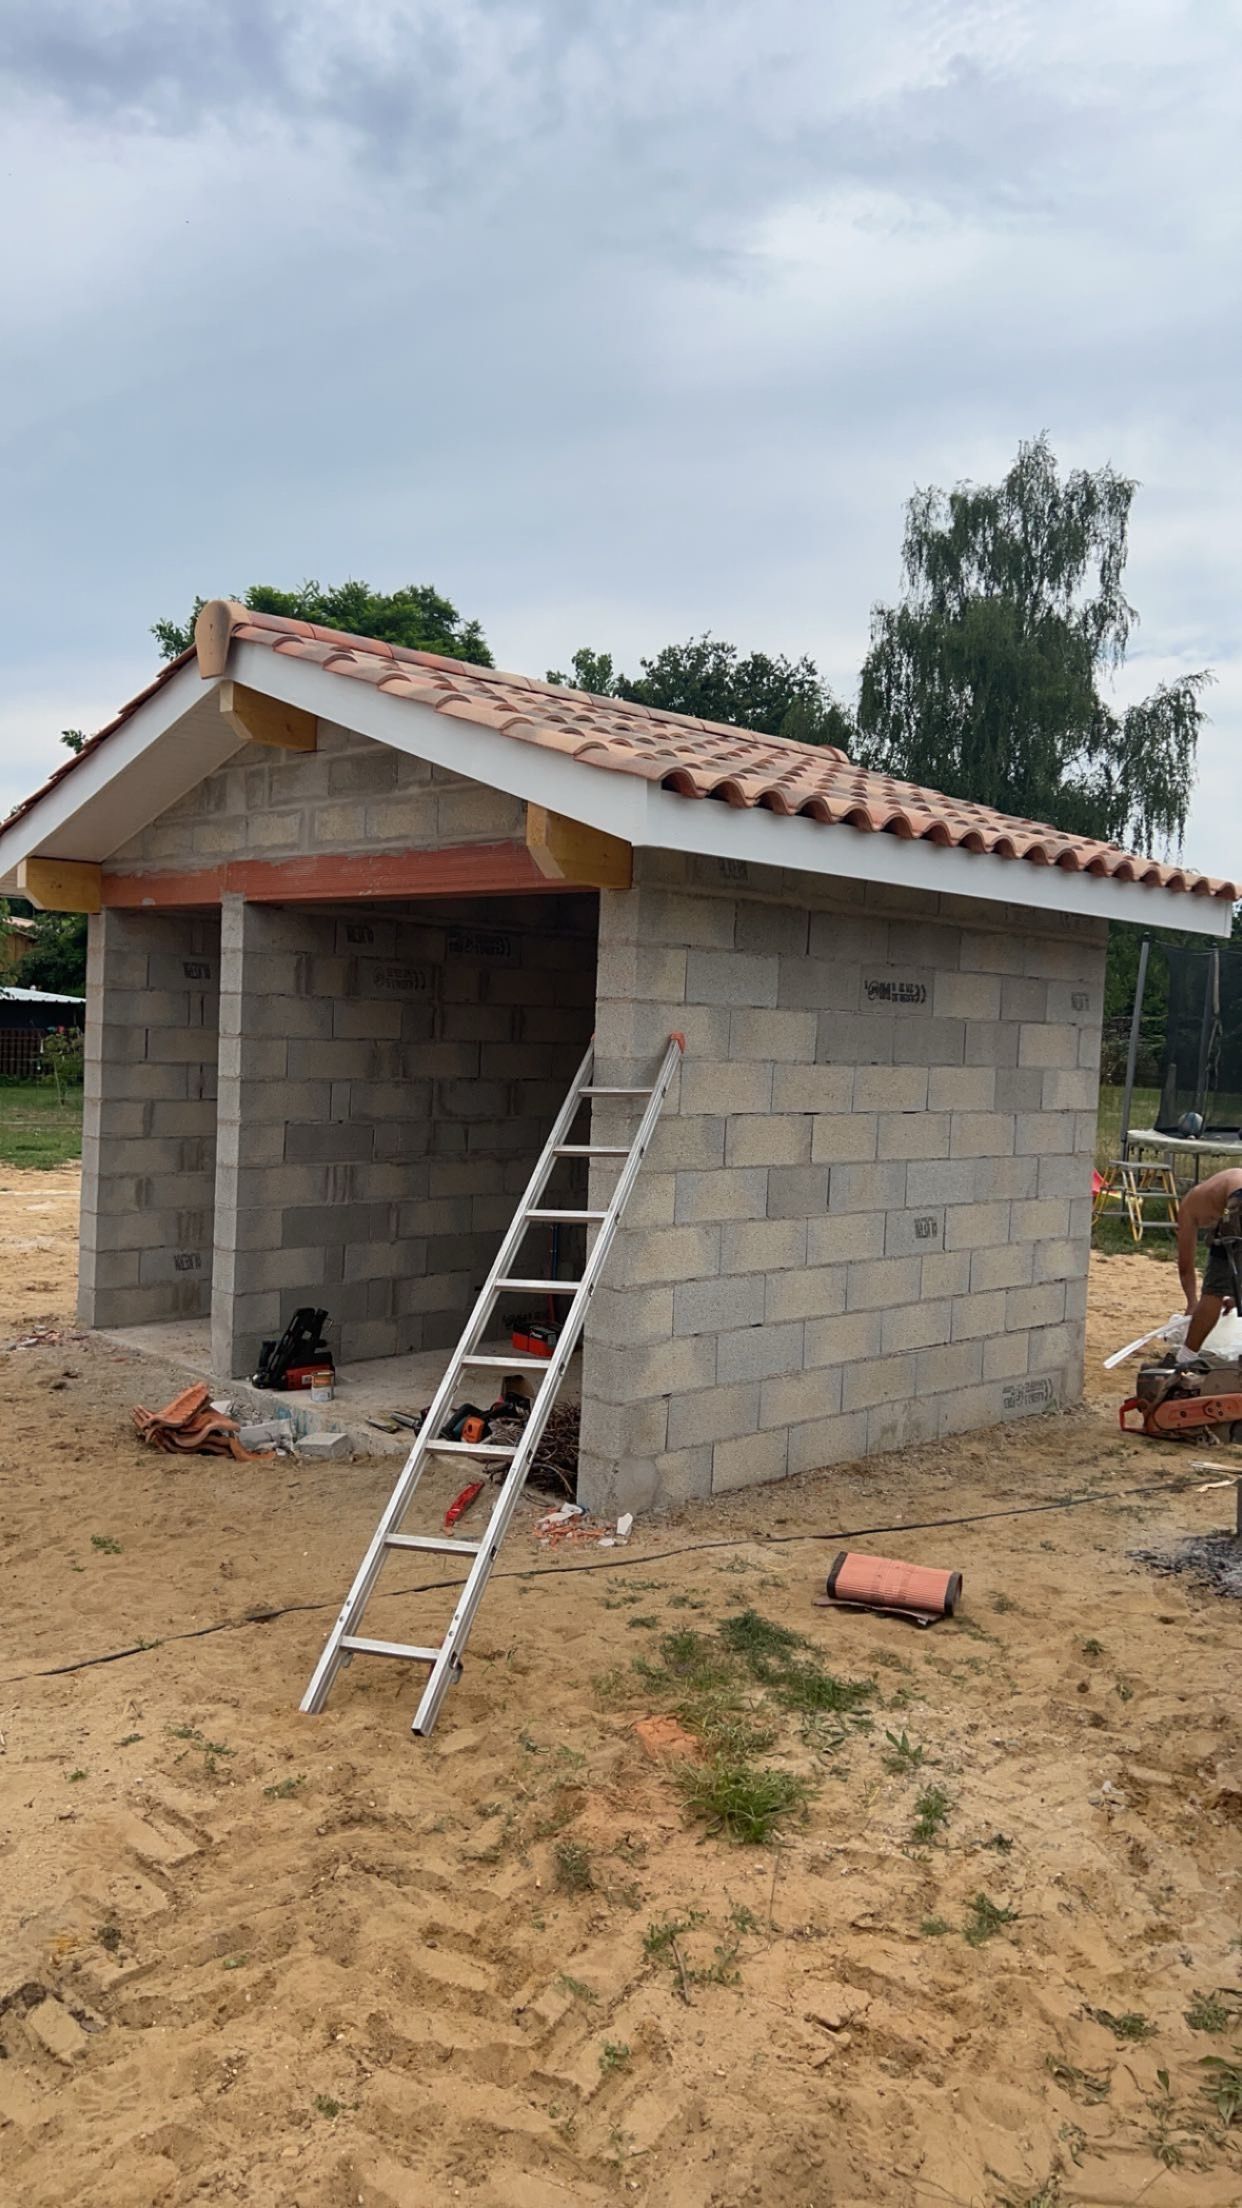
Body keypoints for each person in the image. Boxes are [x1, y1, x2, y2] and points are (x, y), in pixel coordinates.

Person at [1174, 1165, 1242, 1361]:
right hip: (1236, 1194)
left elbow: (1185, 1265)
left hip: (1239, 1196)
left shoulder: (1188, 1208)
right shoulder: (1213, 1193)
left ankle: (1186, 1358)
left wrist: (1192, 1303)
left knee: (1214, 1290)